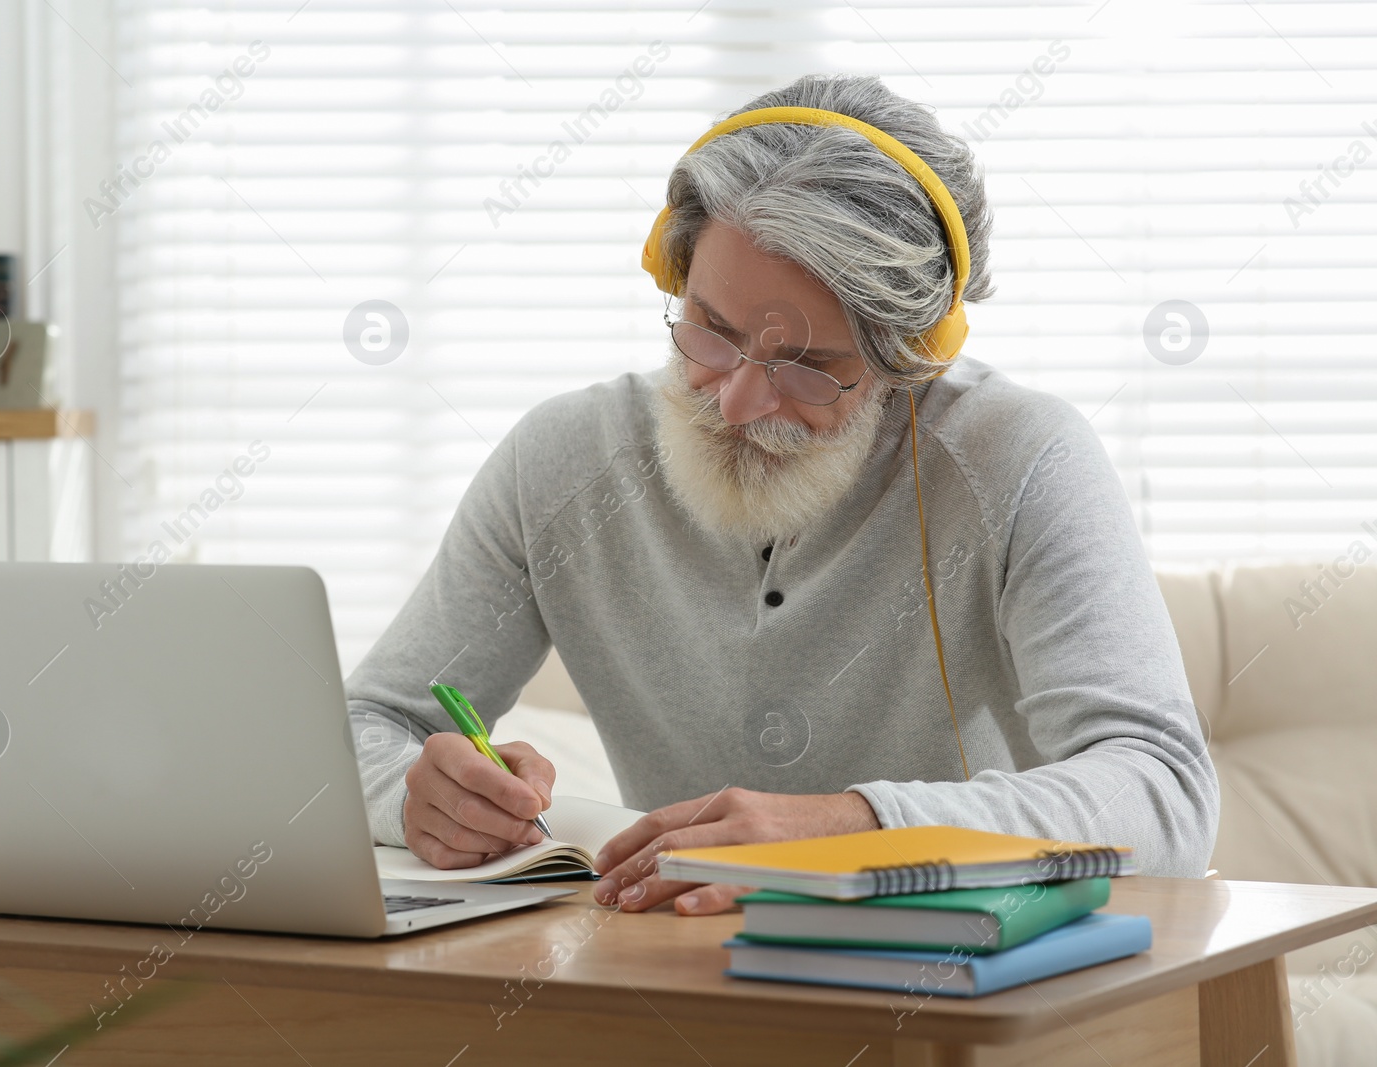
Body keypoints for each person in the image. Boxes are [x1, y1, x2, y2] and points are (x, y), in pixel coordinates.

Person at [344, 73, 1219, 916]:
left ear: (908, 358)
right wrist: (409, 796)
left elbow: (1164, 789)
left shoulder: (1022, 458)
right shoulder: (562, 459)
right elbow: (369, 721)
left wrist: (850, 827)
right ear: (671, 273)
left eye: (808, 367)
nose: (736, 400)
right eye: (711, 333)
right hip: (669, 980)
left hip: (953, 985)